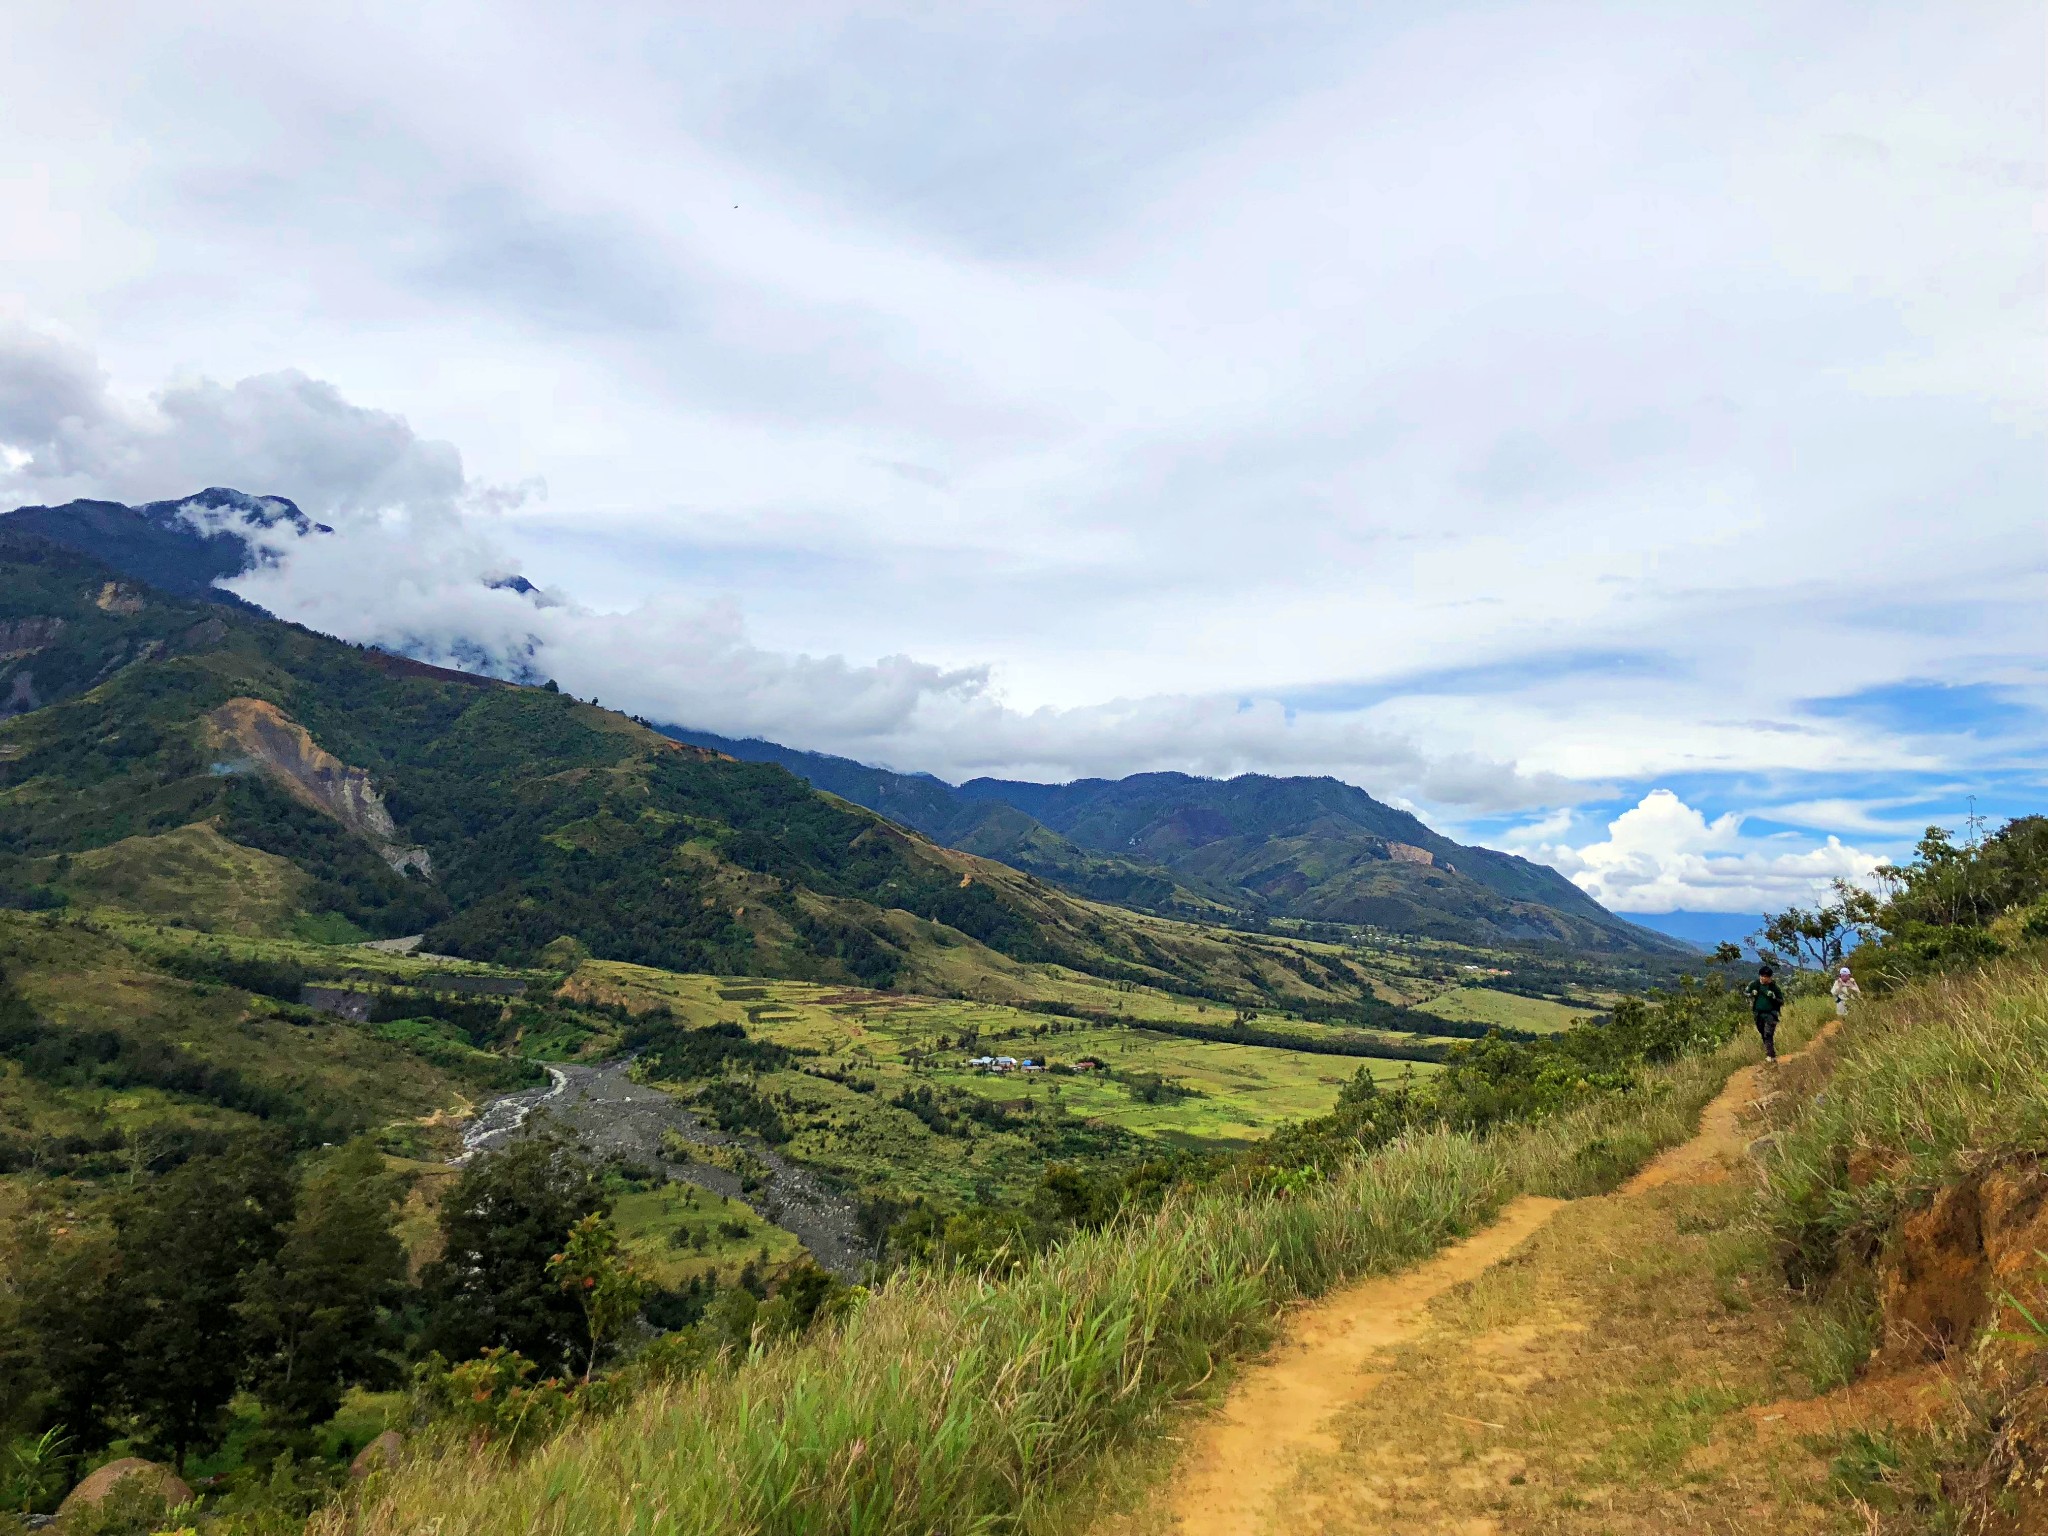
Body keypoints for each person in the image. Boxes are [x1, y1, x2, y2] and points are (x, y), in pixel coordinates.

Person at [1743, 963, 1786, 1062]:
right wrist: (1751, 994)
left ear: (1770, 977)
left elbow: (1781, 1001)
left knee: (1768, 1033)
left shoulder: (1774, 987)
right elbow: (1745, 992)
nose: (1764, 978)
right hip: (1758, 1014)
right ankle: (1771, 1053)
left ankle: (1770, 1056)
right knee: (1762, 1032)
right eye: (1762, 976)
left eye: (1766, 977)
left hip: (1771, 1014)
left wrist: (1774, 997)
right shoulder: (1755, 984)